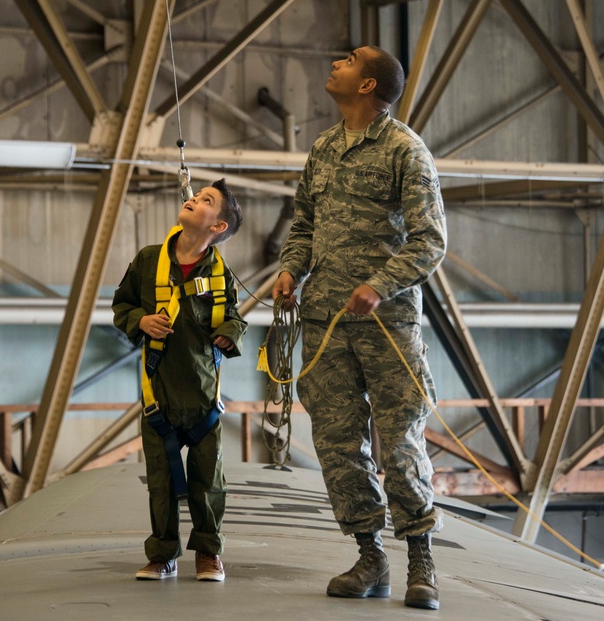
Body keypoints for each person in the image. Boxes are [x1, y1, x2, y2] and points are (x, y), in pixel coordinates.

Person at [272, 46, 447, 610]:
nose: (336, 63)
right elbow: (304, 223)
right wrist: (291, 269)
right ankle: (370, 556)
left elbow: (430, 239)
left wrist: (380, 283)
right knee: (338, 446)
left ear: (369, 85)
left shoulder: (405, 150)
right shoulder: (323, 149)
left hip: (387, 324)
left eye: (348, 60)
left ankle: (421, 561)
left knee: (399, 445)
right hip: (324, 321)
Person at [113, 179, 247, 582]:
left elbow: (236, 317)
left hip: (204, 398)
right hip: (160, 398)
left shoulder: (221, 275)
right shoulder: (148, 260)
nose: (193, 198)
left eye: (206, 200)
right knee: (160, 482)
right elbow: (122, 306)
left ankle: (208, 553)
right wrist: (141, 320)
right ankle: (162, 554)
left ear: (218, 227)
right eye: (196, 194)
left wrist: (231, 333)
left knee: (209, 481)